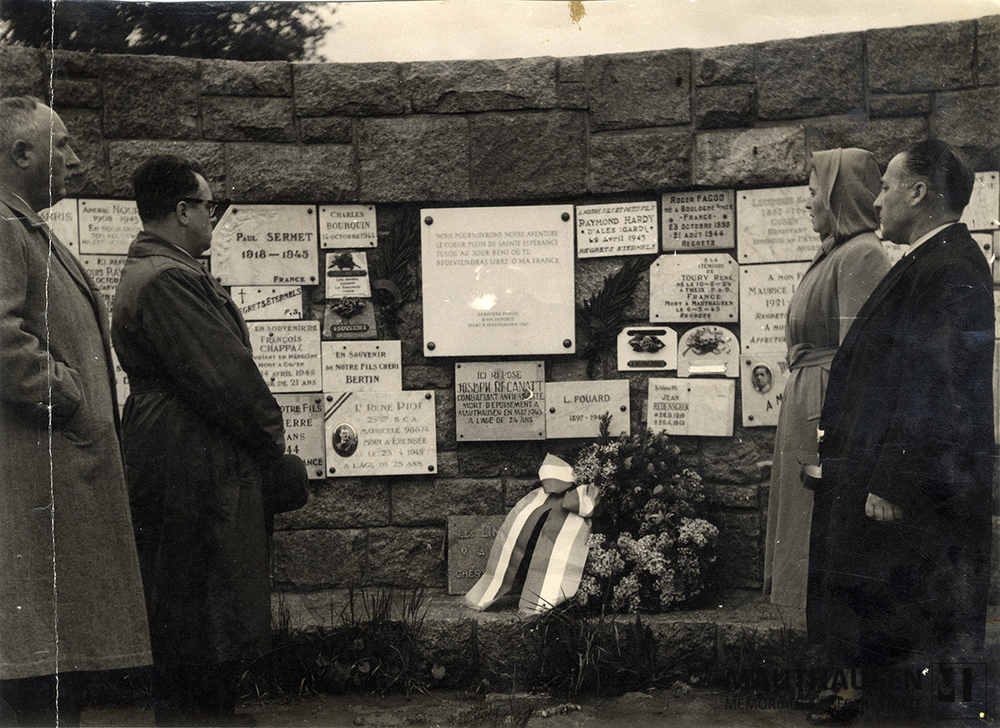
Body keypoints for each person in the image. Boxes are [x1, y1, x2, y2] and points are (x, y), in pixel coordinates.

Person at [808, 139, 993, 723]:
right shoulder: (929, 259)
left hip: (914, 477)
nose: (879, 198)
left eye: (887, 185)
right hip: (896, 466)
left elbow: (940, 384)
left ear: (918, 193)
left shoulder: (952, 267)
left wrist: (892, 477)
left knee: (925, 606)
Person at [112, 155, 286, 726]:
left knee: (187, 601)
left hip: (176, 449)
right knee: (205, 609)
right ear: (183, 211)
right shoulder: (171, 279)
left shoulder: (159, 270)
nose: (213, 217)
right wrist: (270, 440)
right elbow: (228, 380)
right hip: (192, 460)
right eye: (208, 206)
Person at [0, 96, 151, 725]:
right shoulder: (5, 226)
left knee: (58, 667)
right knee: (41, 675)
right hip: (38, 477)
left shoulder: (25, 224)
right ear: (21, 153)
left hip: (55, 477)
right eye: (61, 145)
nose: (76, 160)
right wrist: (67, 391)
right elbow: (4, 339)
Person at [763, 149, 891, 640]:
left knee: (827, 537)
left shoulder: (861, 255)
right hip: (810, 398)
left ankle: (840, 673)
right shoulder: (837, 252)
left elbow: (861, 357)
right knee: (811, 535)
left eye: (814, 192)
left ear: (837, 195)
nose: (807, 202)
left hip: (827, 406)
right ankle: (826, 658)